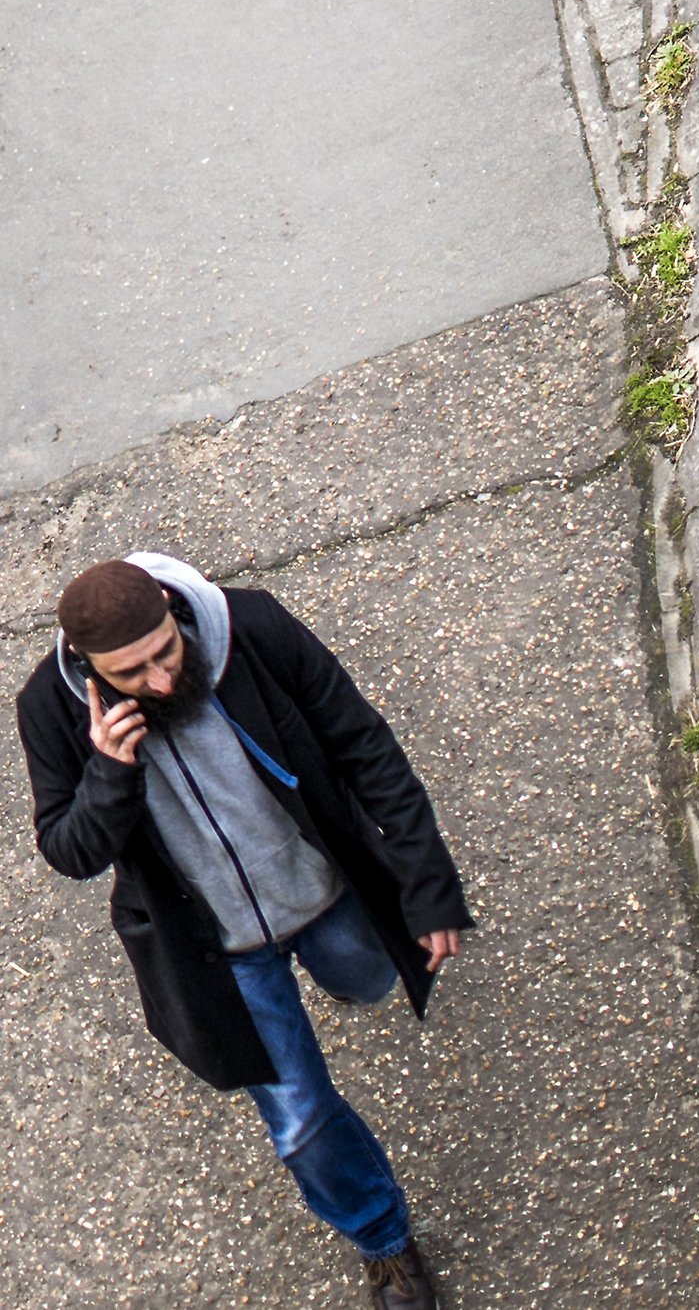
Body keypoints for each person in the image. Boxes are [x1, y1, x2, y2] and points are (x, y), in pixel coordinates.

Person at [18, 550, 468, 1305]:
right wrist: (108, 772)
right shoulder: (49, 708)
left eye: (166, 651)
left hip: (322, 891)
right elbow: (70, 851)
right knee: (299, 1123)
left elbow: (365, 745)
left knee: (368, 976)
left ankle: (350, 978)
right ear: (87, 666)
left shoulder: (252, 626)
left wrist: (428, 888)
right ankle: (384, 1240)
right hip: (218, 948)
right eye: (132, 674)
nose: (161, 680)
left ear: (171, 604)